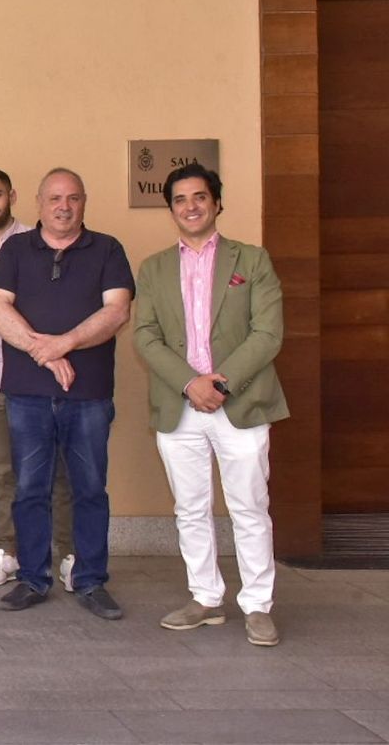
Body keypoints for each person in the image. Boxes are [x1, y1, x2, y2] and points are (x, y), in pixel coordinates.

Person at [134, 165, 286, 647]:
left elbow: (268, 333)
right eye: (180, 200)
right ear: (171, 209)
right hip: (181, 407)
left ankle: (258, 605)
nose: (191, 206)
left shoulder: (253, 260)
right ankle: (205, 598)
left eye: (200, 197)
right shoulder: (154, 267)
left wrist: (218, 383)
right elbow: (145, 335)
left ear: (217, 203)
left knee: (249, 507)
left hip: (239, 402)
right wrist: (188, 384)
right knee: (191, 508)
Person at [0, 168, 133, 620]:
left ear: (84, 201)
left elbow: (118, 310)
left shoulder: (106, 249)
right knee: (30, 489)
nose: (63, 206)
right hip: (28, 394)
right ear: (38, 203)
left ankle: (90, 581)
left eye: (72, 198)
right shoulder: (16, 248)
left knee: (89, 489)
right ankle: (33, 578)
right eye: (54, 198)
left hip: (87, 395)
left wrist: (63, 343)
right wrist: (43, 352)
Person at [0, 167, 76, 589]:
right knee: (0, 471)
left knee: (57, 471)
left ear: (12, 195)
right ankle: (7, 551)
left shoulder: (39, 240)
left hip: (40, 376)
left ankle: (65, 553)